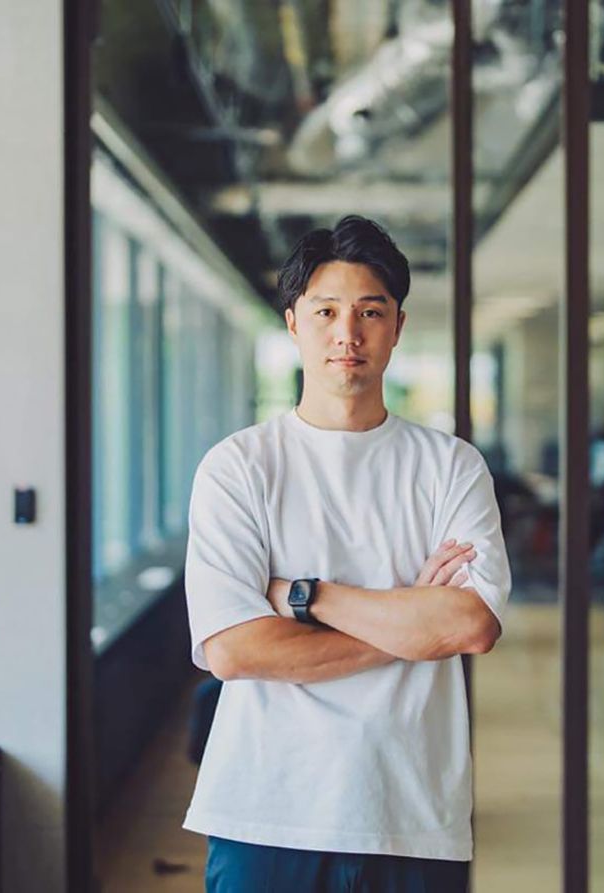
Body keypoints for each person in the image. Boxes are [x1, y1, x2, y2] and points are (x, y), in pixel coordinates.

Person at [182, 215, 512, 892]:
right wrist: (412, 624)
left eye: (370, 311)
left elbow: (471, 625)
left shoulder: (451, 468)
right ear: (293, 323)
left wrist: (303, 597)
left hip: (412, 815)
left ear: (398, 326)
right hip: (265, 812)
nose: (348, 334)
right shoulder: (239, 468)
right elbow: (234, 650)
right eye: (326, 311)